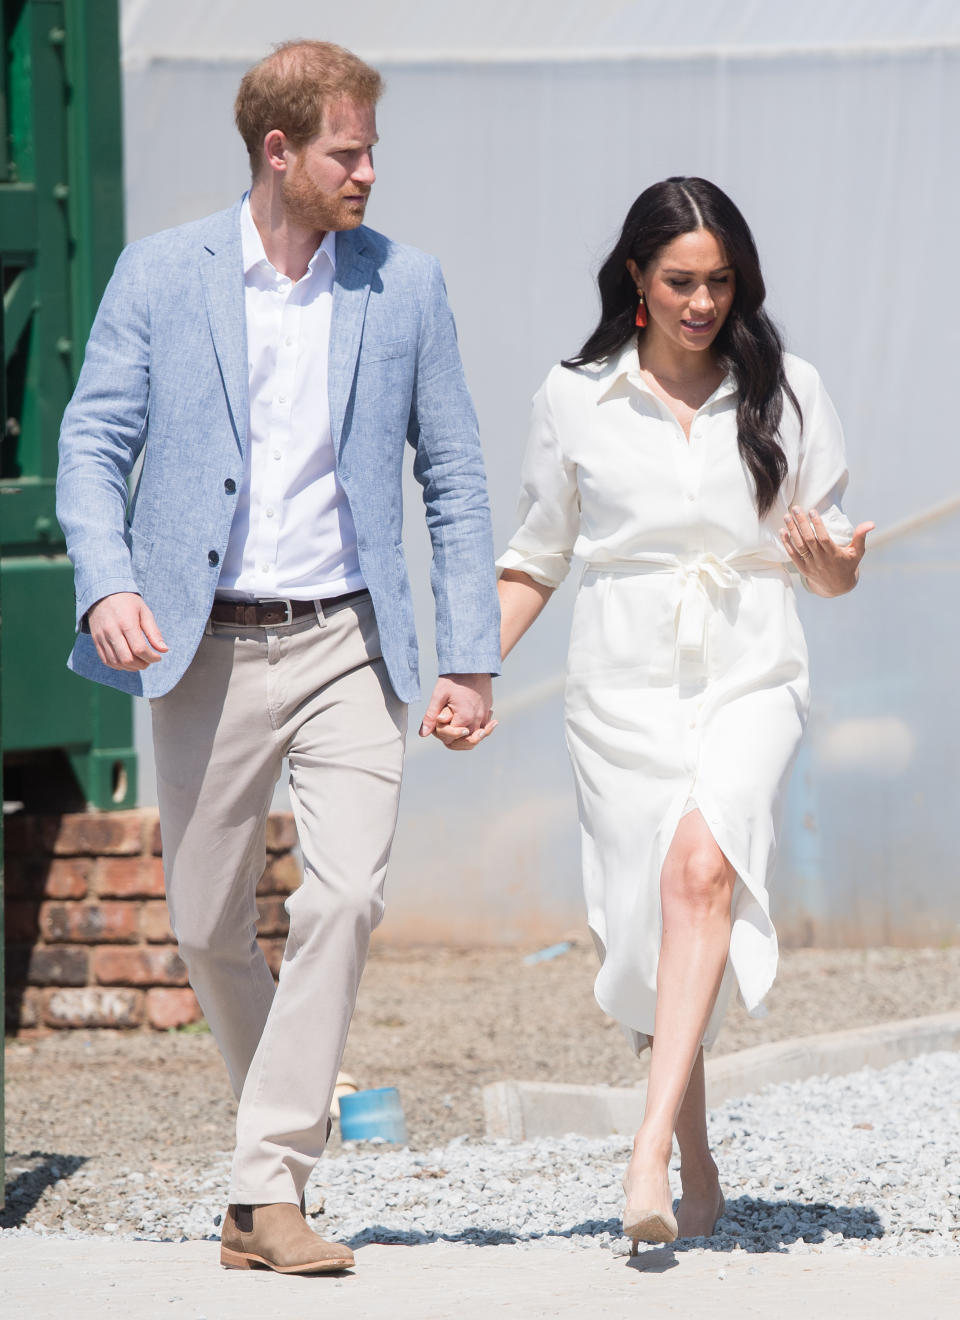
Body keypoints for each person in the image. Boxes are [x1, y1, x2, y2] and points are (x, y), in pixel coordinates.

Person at [56, 40, 500, 1275]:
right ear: (280, 151)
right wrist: (109, 585)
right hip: (201, 644)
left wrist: (470, 654)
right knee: (204, 926)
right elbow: (92, 445)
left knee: (344, 896)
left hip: (352, 639)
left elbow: (455, 475)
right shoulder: (161, 276)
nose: (368, 170)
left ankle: (267, 1187)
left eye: (370, 149)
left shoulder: (403, 287)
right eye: (347, 151)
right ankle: (274, 1159)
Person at [438, 177, 872, 1248]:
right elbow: (537, 557)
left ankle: (645, 1153)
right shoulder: (574, 396)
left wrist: (834, 567)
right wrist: (466, 669)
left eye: (721, 281)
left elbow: (827, 574)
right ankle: (699, 1163)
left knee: (702, 870)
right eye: (681, 280)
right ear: (636, 277)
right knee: (650, 922)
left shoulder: (792, 390)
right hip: (620, 683)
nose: (702, 302)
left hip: (750, 670)